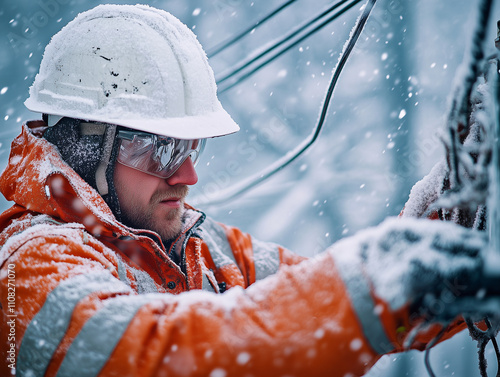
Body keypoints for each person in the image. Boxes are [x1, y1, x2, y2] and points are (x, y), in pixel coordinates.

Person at [0, 4, 495, 377]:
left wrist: (464, 209)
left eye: (191, 147)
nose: (188, 176)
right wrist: (369, 289)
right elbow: (158, 355)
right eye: (163, 151)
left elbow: (350, 298)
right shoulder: (31, 269)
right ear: (88, 151)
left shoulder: (207, 251)